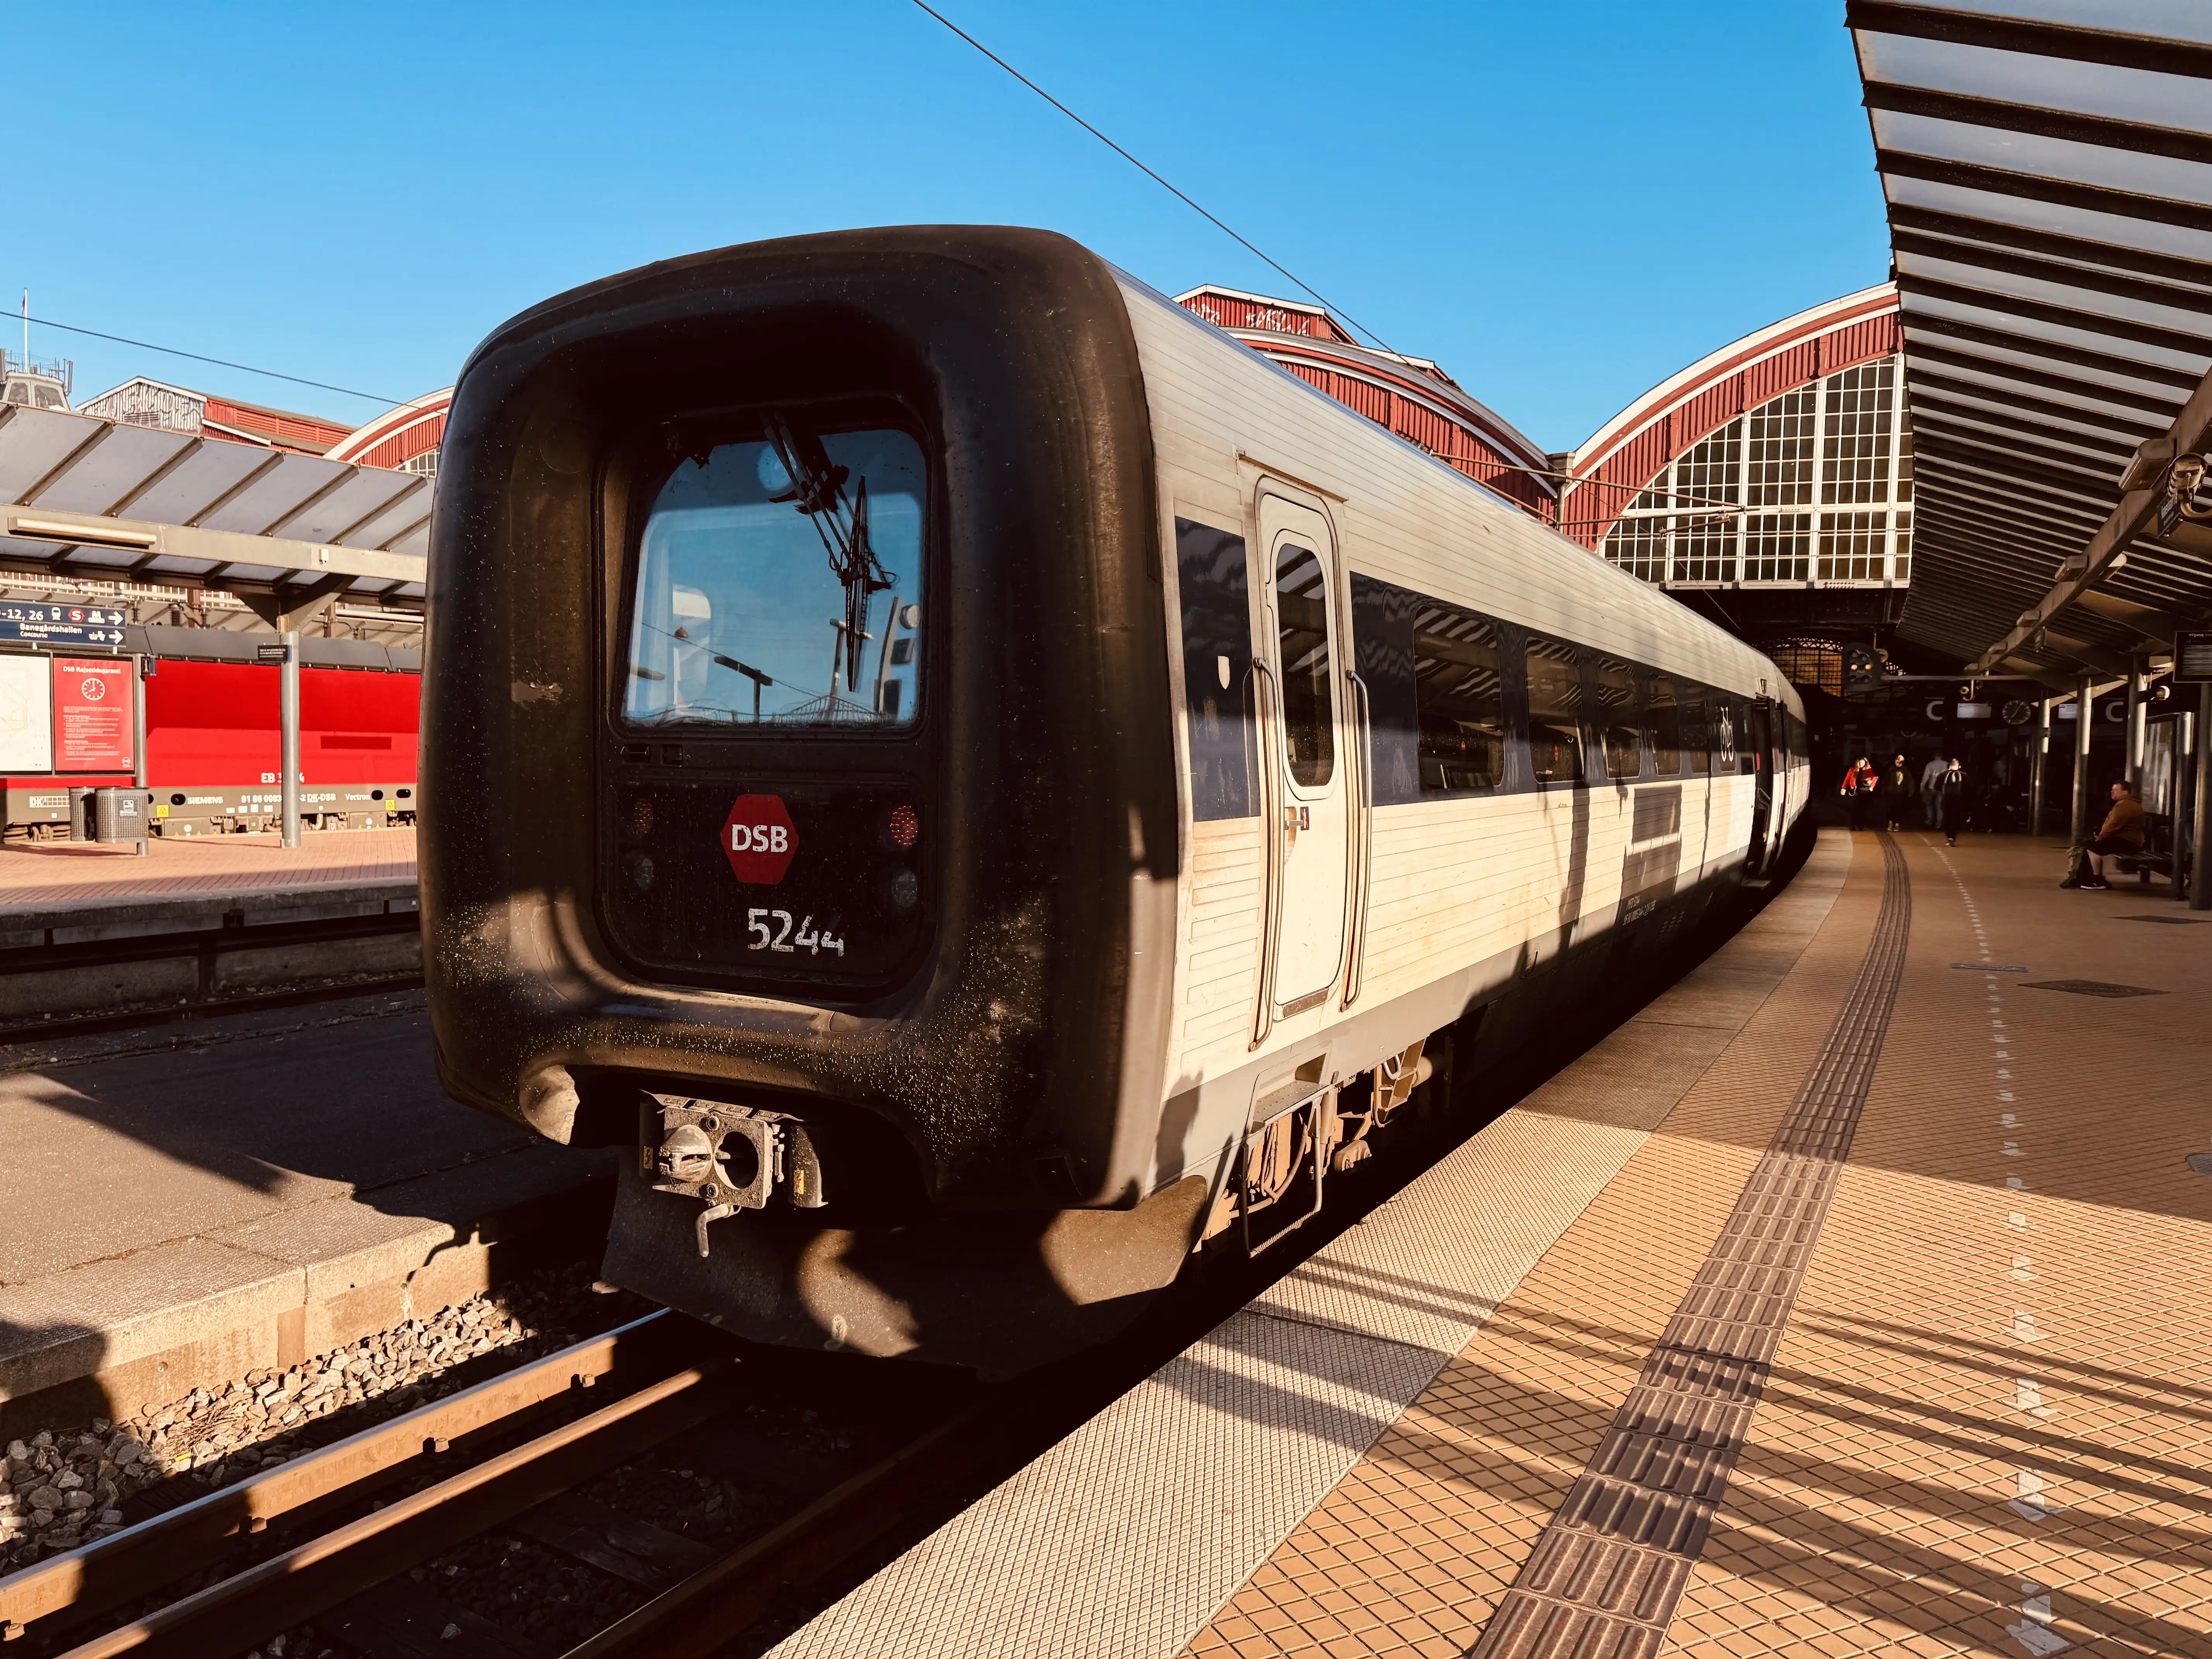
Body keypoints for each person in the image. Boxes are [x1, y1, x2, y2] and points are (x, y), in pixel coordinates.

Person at [2070, 780, 2145, 890]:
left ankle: (2097, 881)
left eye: (2116, 790)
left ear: (2125, 792)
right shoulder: (2127, 803)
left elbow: (2113, 825)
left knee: (2092, 848)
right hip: (2130, 841)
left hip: (2129, 842)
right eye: (2112, 790)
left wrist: (2100, 838)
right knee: (2089, 846)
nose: (2112, 793)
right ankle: (2090, 879)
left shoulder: (2126, 805)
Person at [1933, 756, 1967, 846]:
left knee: (1955, 818)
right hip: (1948, 798)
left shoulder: (1963, 776)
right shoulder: (1943, 775)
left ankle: (1952, 837)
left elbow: (1968, 788)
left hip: (1957, 800)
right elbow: (1937, 786)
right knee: (1948, 818)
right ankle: (1950, 837)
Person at [1879, 753, 1916, 833]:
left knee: (1899, 808)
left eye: (1900, 762)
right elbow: (1885, 780)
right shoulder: (1891, 770)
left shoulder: (1905, 770)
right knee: (1890, 808)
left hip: (1901, 792)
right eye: (1897, 761)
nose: (1898, 763)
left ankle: (1897, 824)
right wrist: (1883, 790)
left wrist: (1911, 791)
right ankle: (1890, 823)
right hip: (1891, 792)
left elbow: (1910, 781)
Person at [1841, 756, 1877, 831]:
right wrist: (1844, 788)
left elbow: (1874, 779)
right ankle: (1853, 825)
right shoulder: (1853, 770)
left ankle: (1860, 825)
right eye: (1860, 763)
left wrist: (1872, 787)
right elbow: (1847, 779)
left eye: (1863, 763)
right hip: (1855, 791)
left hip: (1865, 791)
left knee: (1862, 810)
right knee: (1854, 809)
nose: (1861, 764)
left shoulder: (1868, 770)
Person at [1919, 753, 1948, 829]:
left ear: (1934, 756)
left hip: (1932, 788)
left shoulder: (1930, 765)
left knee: (1929, 805)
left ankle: (1930, 820)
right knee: (1939, 807)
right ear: (1941, 756)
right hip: (1941, 789)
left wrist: (1922, 787)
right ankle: (1939, 823)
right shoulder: (1946, 764)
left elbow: (1926, 777)